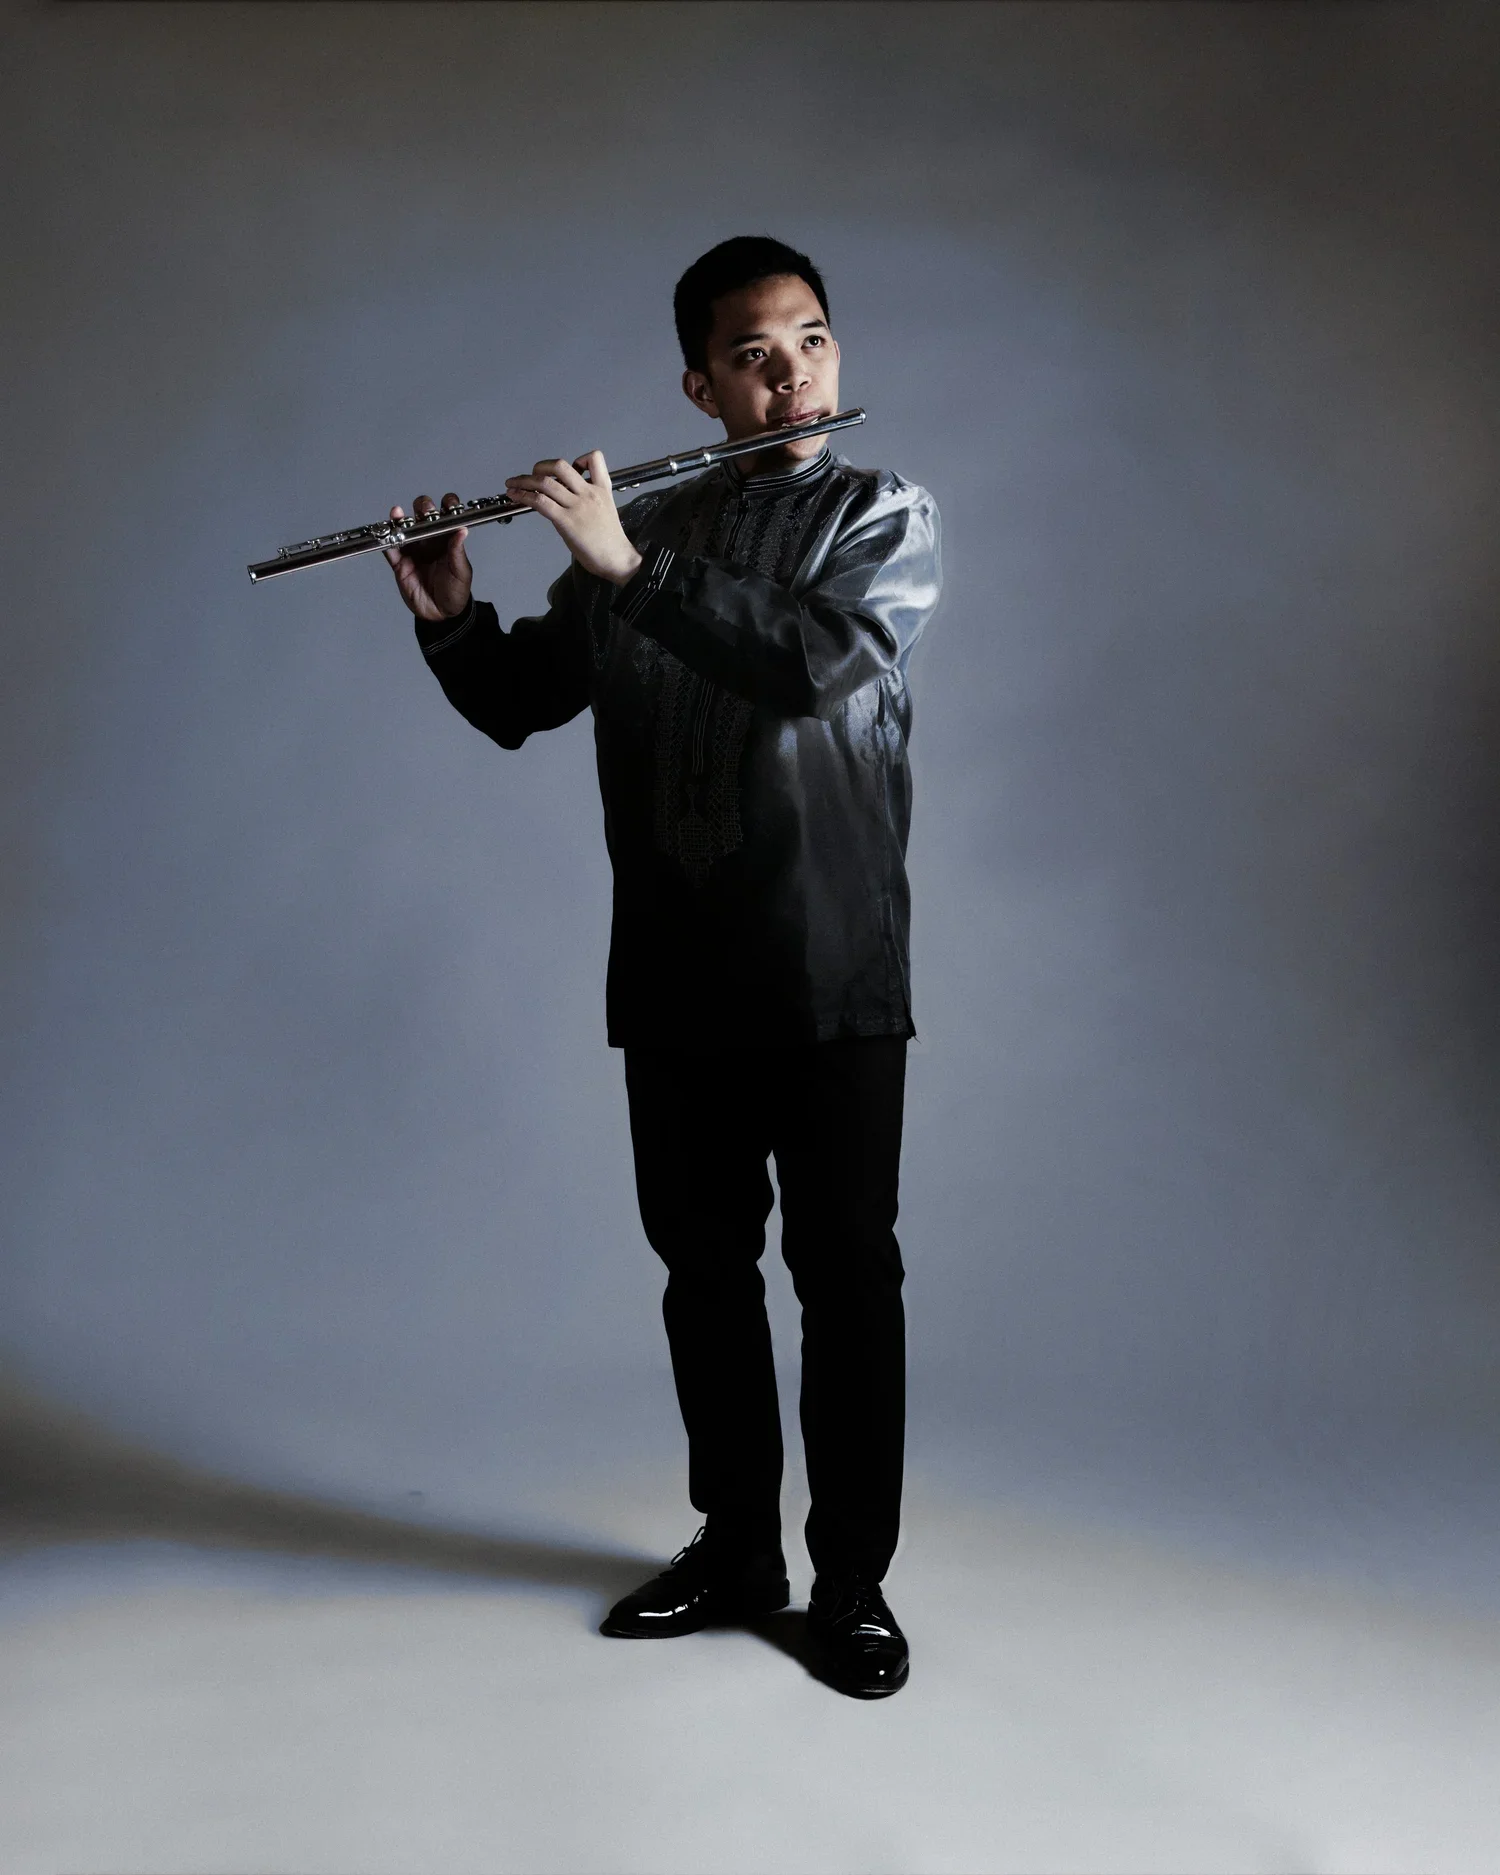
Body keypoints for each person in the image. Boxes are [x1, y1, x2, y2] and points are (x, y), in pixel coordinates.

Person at [385, 235, 941, 1699]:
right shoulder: (641, 525)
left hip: (831, 969)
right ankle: (737, 1549)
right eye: (753, 356)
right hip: (679, 968)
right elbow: (525, 699)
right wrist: (452, 613)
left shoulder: (882, 512)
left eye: (812, 343)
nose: (792, 376)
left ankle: (855, 1581)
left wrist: (629, 567)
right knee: (704, 1271)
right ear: (701, 387)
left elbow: (815, 664)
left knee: (845, 1277)